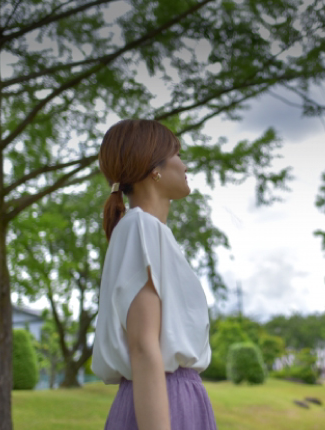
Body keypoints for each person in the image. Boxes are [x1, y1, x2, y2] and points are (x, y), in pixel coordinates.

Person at [92, 119, 217, 430]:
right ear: (154, 168)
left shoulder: (153, 233)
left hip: (178, 399)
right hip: (162, 403)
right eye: (177, 154)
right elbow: (143, 346)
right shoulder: (140, 227)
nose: (185, 164)